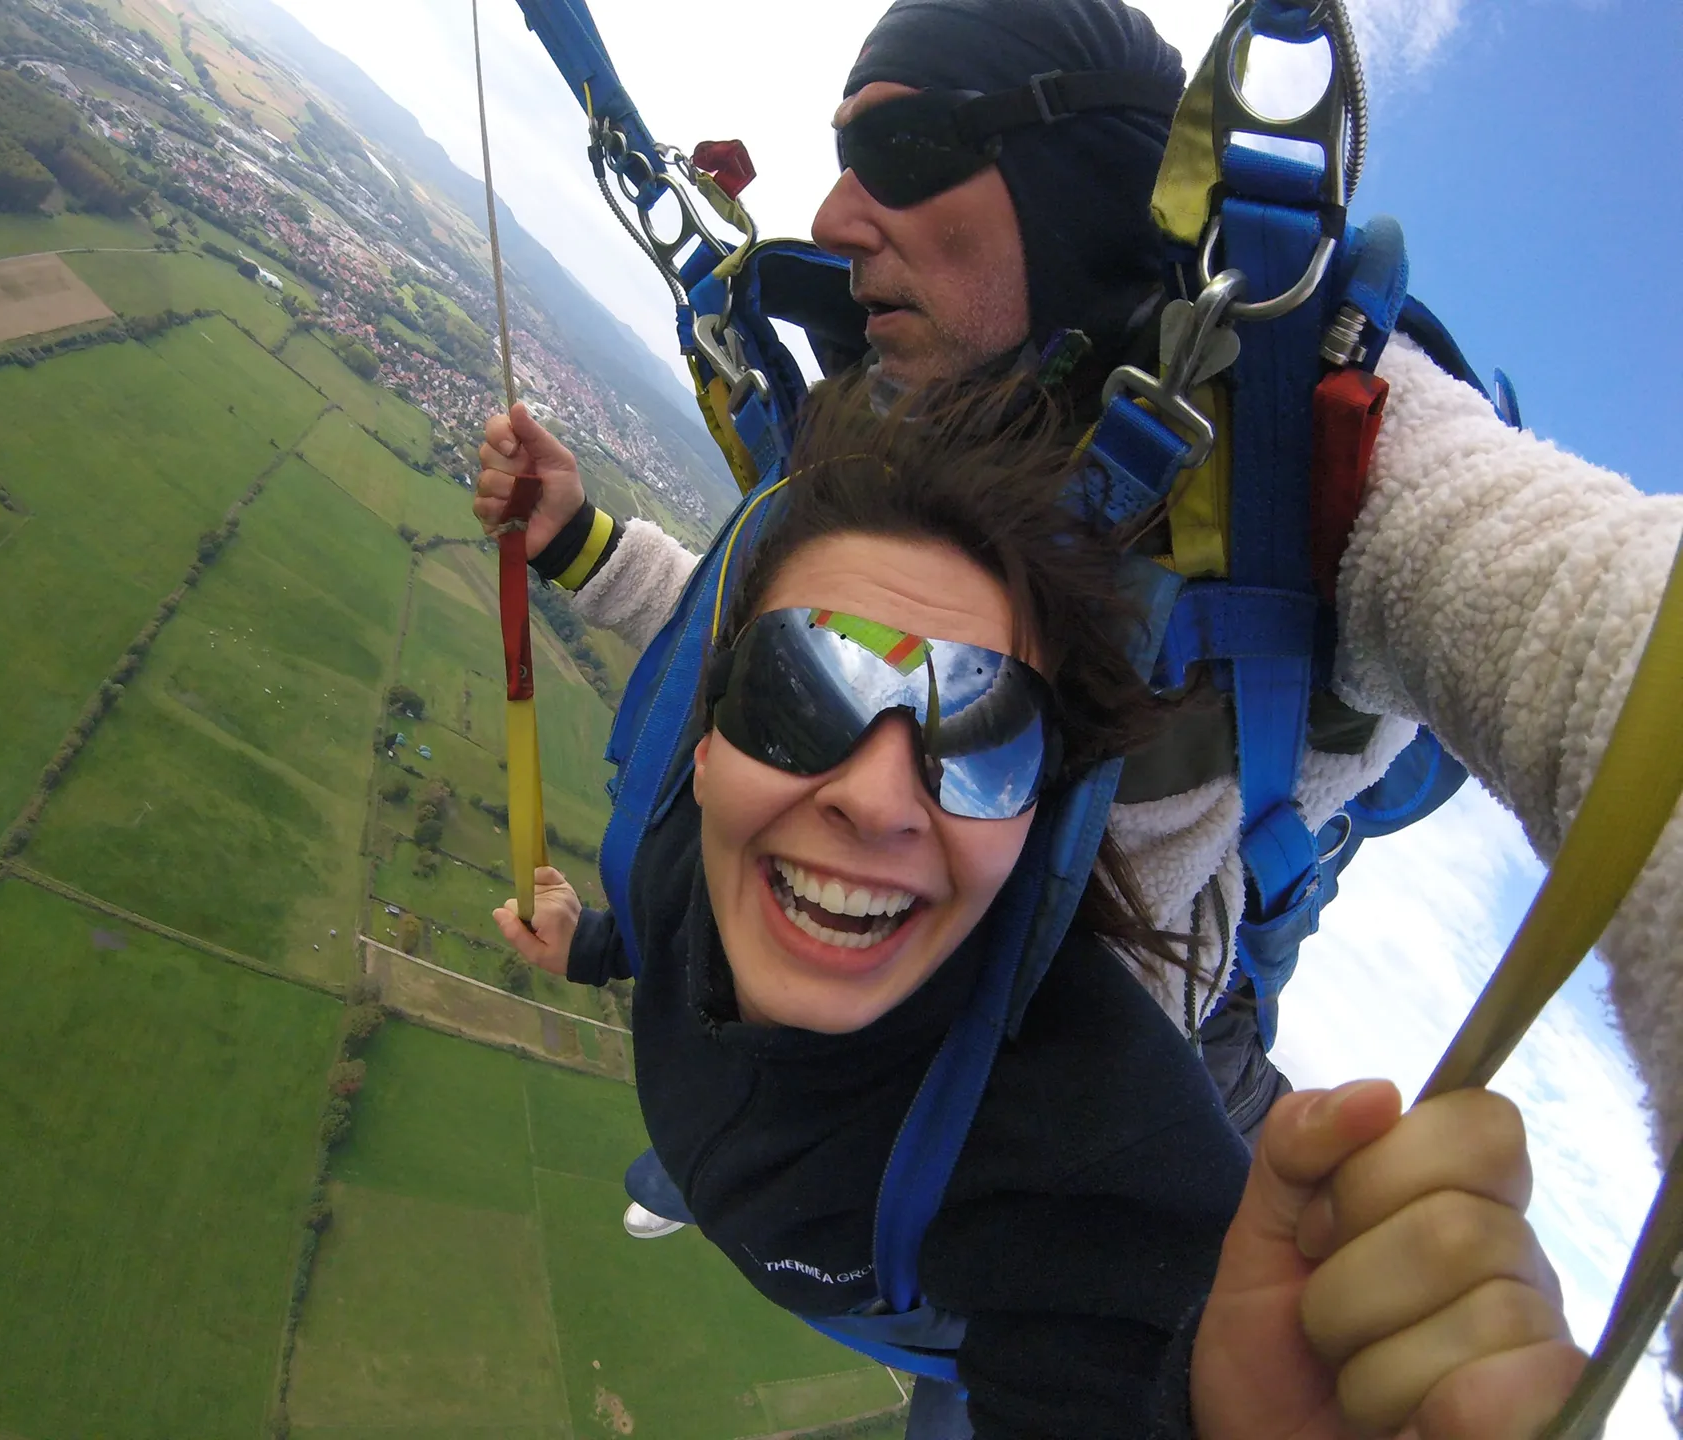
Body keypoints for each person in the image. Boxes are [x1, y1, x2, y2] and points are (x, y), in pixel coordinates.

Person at [475, 0, 1683, 1162]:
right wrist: (582, 546)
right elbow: (818, 679)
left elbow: (1599, 638)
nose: (837, 218)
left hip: (1127, 1077)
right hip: (870, 1044)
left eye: (902, 151)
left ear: (1073, 171)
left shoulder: (1309, 431)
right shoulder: (920, 392)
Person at [490, 379, 1585, 1438]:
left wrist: (1213, 1407)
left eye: (979, 745)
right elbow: (691, 641)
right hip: (759, 1166)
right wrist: (593, 947)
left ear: (1028, 826)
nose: (874, 802)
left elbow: (1152, 1318)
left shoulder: (1075, 1131)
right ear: (708, 734)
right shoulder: (676, 845)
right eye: (802, 693)